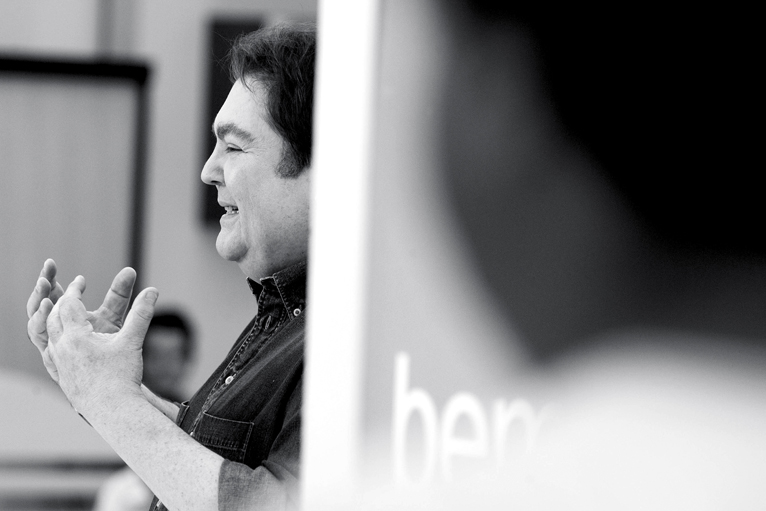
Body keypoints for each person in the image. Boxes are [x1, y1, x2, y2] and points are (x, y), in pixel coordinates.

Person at [25, 23, 314, 511]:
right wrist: (96, 380)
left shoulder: (350, 342)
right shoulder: (287, 318)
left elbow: (270, 503)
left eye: (234, 147)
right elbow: (222, 456)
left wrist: (109, 400)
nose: (207, 170)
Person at [92, 311, 195, 511]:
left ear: (187, 359)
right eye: (156, 356)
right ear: (140, 357)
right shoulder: (113, 412)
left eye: (172, 356)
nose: (165, 366)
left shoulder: (201, 419)